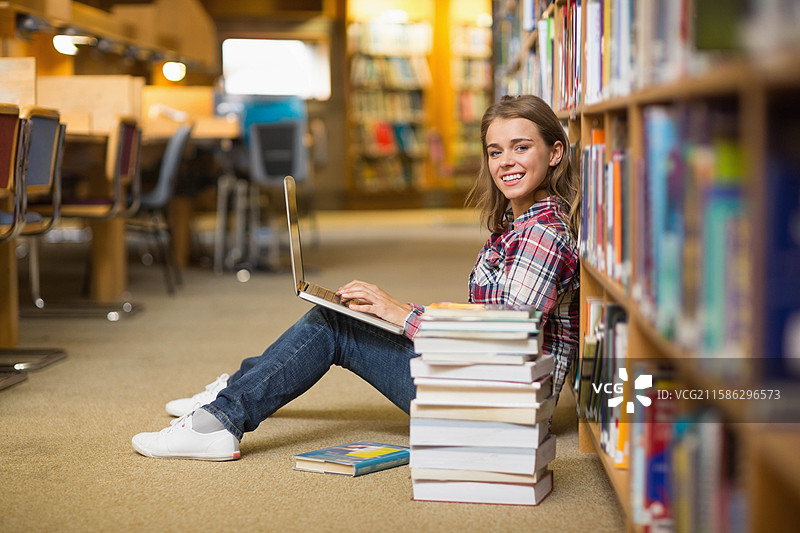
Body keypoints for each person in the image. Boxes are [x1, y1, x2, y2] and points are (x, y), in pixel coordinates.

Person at [131, 95, 581, 461]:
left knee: (335, 325)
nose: (506, 162)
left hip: (497, 406)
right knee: (345, 313)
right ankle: (234, 393)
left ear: (554, 152)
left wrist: (403, 315)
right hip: (482, 384)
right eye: (495, 150)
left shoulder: (541, 233)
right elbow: (488, 320)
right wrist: (399, 312)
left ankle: (221, 419)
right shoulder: (522, 225)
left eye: (521, 147)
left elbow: (502, 340)